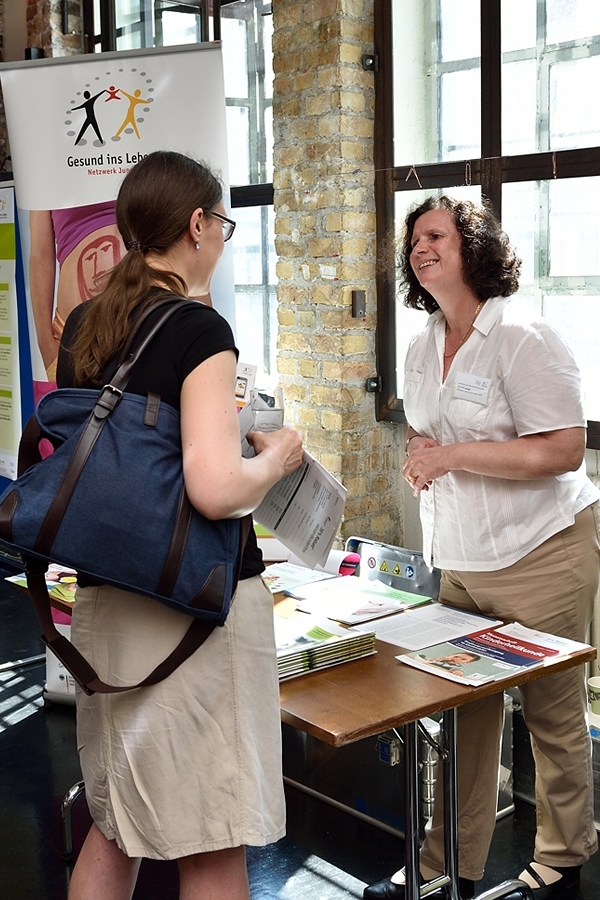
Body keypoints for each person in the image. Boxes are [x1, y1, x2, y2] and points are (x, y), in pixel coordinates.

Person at [55, 150, 304, 900]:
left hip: (105, 594)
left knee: (116, 823)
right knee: (210, 835)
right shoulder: (199, 328)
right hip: (190, 607)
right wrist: (279, 458)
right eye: (220, 223)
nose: (223, 237)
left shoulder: (86, 324)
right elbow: (216, 488)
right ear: (197, 225)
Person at [363, 195, 600, 900]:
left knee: (552, 715)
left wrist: (453, 456)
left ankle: (561, 860)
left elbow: (563, 450)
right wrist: (422, 454)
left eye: (434, 234)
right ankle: (447, 861)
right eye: (412, 240)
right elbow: (432, 436)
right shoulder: (420, 344)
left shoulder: (524, 336)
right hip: (462, 558)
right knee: (465, 714)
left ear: (472, 247)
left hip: (543, 551)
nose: (418, 247)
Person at [29, 202, 124, 381]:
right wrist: (46, 344)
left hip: (144, 318)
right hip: (71, 334)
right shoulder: (44, 174)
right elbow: (40, 256)